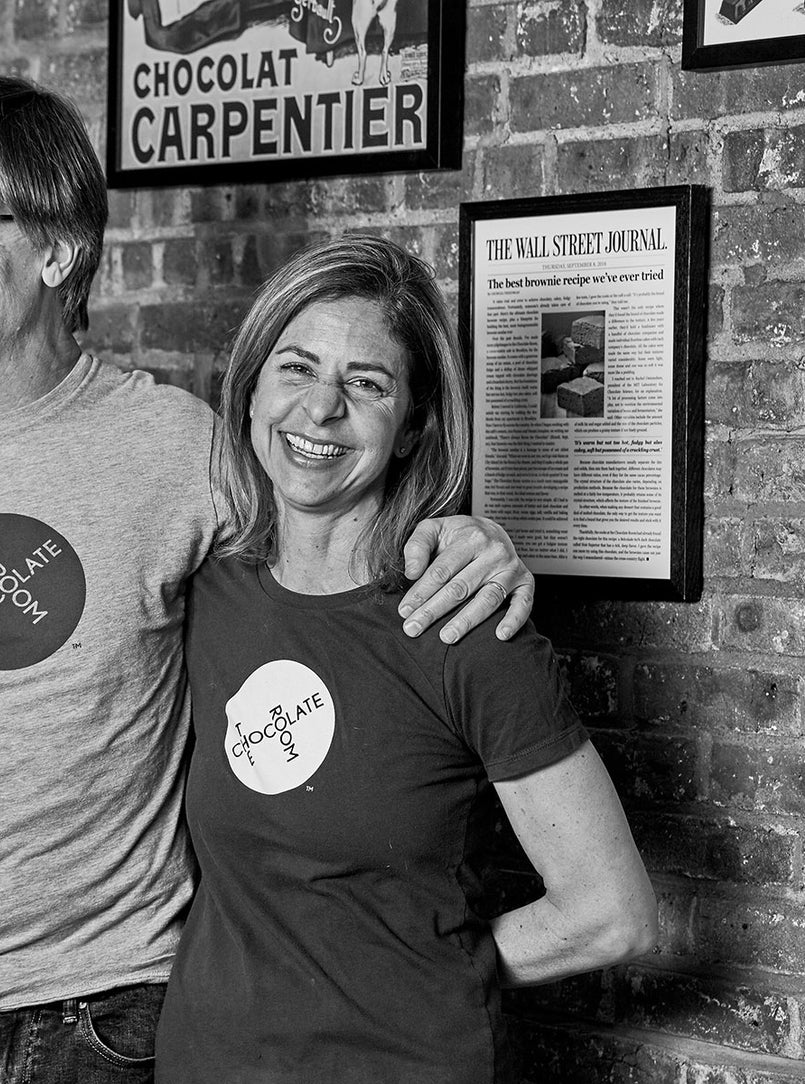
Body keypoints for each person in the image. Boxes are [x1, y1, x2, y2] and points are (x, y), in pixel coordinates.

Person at [0, 75, 536, 1084]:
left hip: (120, 1016)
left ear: (58, 250)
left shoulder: (184, 451)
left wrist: (464, 540)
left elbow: (341, 566)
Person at [153, 235, 657, 1083]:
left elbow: (613, 914)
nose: (319, 410)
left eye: (366, 383)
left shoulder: (462, 623)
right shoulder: (208, 593)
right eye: (296, 368)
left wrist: (421, 971)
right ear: (248, 388)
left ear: (412, 424)